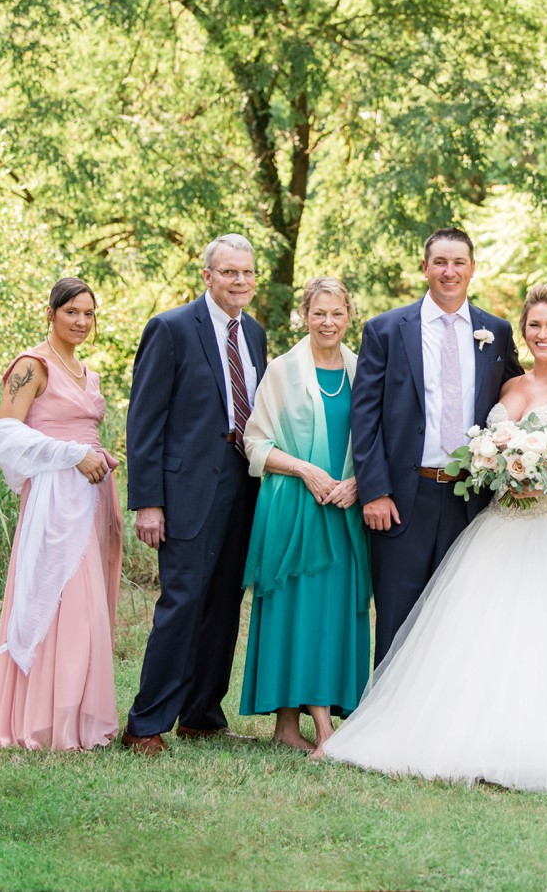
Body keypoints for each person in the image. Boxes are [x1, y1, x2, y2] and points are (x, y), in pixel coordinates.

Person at [323, 284, 547, 791]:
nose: (543, 334)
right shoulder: (508, 386)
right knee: (478, 637)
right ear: (523, 331)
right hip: (501, 524)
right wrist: (503, 470)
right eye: (535, 325)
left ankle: (542, 747)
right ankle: (461, 737)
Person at [0, 277, 122, 750]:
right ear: (50, 313)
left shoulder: (87, 372)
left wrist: (95, 455)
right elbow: (5, 434)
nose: (81, 322)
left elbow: (80, 433)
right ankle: (37, 718)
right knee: (56, 600)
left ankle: (74, 712)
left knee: (89, 610)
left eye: (89, 314)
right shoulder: (31, 366)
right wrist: (72, 454)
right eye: (72, 311)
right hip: (56, 500)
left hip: (92, 497)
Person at [121, 234, 270, 755]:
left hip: (243, 483)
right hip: (187, 488)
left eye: (248, 273)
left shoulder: (254, 334)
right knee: (182, 602)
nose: (241, 282)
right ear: (207, 276)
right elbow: (143, 422)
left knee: (226, 603)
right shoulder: (171, 328)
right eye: (230, 273)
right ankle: (145, 723)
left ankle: (202, 713)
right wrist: (149, 501)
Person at [350, 227, 523, 664]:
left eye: (459, 262)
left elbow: (522, 396)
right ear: (424, 267)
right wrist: (375, 490)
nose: (450, 272)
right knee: (396, 615)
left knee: (462, 615)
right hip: (403, 499)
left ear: (472, 269)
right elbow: (365, 415)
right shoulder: (386, 330)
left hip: (472, 499)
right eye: (440, 263)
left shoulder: (496, 332)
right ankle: (389, 724)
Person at [238, 278, 369, 753]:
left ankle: (297, 728)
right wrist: (305, 471)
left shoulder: (363, 370)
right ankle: (297, 727)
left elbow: (377, 439)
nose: (328, 322)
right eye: (319, 313)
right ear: (305, 316)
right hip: (294, 506)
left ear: (348, 316)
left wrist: (361, 482)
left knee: (332, 613)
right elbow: (254, 442)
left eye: (336, 313)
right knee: (293, 612)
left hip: (345, 512)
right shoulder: (282, 370)